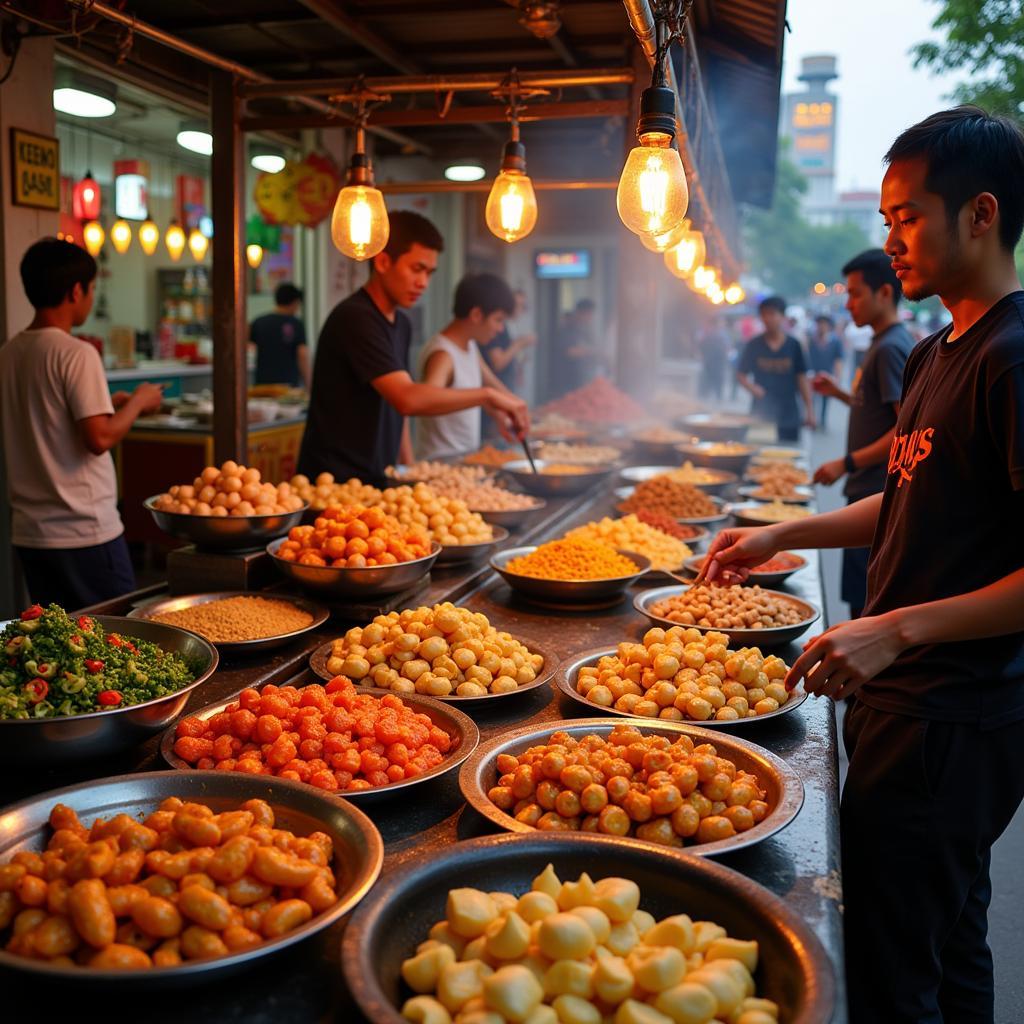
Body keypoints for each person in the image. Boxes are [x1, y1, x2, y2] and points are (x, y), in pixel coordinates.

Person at [702, 106, 1024, 1024]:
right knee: (950, 937)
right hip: (907, 703)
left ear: (981, 213)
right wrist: (782, 535)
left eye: (908, 216)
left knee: (891, 967)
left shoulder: (1012, 356)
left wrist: (895, 629)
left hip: (951, 716)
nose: (891, 242)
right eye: (886, 220)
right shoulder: (937, 350)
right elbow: (916, 498)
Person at [298, 211, 528, 485]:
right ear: (383, 261)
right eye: (416, 269)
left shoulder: (401, 324)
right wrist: (488, 396)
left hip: (377, 477)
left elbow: (398, 404)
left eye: (429, 273)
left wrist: (409, 469)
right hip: (333, 481)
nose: (423, 283)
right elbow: (409, 399)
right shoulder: (356, 318)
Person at [0, 239, 163, 608]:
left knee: (61, 647)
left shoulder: (8, 354)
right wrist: (138, 402)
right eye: (91, 289)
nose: (91, 297)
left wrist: (111, 404)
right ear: (76, 291)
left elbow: (47, 417)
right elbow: (99, 437)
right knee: (114, 639)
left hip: (31, 533)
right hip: (84, 531)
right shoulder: (76, 353)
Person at [812, 249, 916, 617]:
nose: (848, 303)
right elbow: (875, 408)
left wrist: (847, 462)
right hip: (865, 488)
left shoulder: (891, 348)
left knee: (865, 607)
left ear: (885, 293)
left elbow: (906, 431)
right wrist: (838, 393)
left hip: (875, 493)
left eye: (856, 294)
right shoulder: (879, 342)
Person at [416, 273, 518, 459]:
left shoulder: (469, 345)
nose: (500, 329)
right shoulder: (443, 354)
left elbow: (490, 383)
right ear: (476, 315)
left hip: (465, 459)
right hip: (441, 464)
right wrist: (486, 398)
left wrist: (511, 409)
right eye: (498, 319)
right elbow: (425, 401)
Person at [736, 295, 815, 440]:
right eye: (764, 314)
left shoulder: (794, 345)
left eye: (772, 314)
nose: (767, 318)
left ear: (783, 317)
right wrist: (752, 388)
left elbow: (802, 378)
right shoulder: (754, 344)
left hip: (789, 412)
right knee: (760, 453)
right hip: (761, 411)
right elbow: (740, 374)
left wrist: (810, 410)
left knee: (788, 455)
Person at [248, 282, 309, 388]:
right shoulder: (296, 324)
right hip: (288, 386)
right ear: (295, 302)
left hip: (263, 385)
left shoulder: (259, 322)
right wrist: (309, 385)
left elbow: (248, 349)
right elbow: (302, 355)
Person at [481, 288, 536, 394]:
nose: (520, 309)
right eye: (517, 304)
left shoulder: (509, 326)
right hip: (496, 390)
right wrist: (519, 344)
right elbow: (497, 363)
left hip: (504, 387)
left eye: (522, 306)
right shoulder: (495, 328)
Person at [550, 298, 597, 399]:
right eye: (589, 314)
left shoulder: (585, 329)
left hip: (581, 381)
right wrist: (591, 351)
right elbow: (570, 352)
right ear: (581, 312)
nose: (590, 318)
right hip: (566, 382)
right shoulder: (567, 328)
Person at [807, 314, 844, 428]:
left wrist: (837, 377)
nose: (821, 327)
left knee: (825, 400)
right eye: (819, 324)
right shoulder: (811, 340)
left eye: (824, 324)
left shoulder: (835, 341)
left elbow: (838, 360)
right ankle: (812, 418)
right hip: (813, 374)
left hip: (828, 375)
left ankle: (822, 421)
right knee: (811, 399)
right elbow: (806, 356)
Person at [697, 312, 730, 401]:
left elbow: (726, 348)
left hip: (718, 362)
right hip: (708, 362)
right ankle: (705, 398)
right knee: (706, 381)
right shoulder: (703, 334)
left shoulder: (721, 334)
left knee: (717, 381)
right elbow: (700, 346)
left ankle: (718, 398)